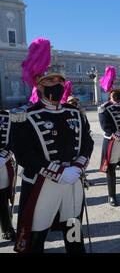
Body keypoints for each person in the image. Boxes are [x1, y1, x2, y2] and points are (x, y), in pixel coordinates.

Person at [10, 38, 94, 253]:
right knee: (37, 231)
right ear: (39, 85)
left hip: (73, 178)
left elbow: (87, 141)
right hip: (42, 181)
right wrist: (57, 172)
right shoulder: (25, 116)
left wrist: (79, 166)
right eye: (50, 82)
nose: (55, 86)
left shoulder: (74, 112)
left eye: (59, 82)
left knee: (73, 229)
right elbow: (23, 154)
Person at [0, 109, 16, 241]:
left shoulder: (6, 117)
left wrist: (2, 158)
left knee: (2, 200)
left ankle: (7, 228)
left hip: (1, 164)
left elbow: (14, 140)